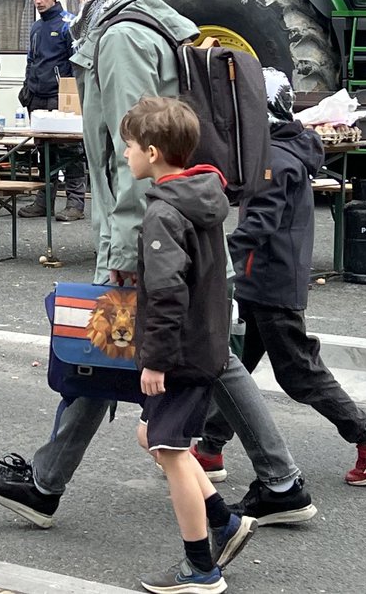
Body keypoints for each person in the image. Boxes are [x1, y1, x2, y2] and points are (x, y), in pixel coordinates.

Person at [0, 0, 316, 532]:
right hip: (177, 216)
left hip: (148, 224)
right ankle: (280, 482)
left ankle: (45, 485)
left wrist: (130, 243)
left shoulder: (123, 35)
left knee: (102, 349)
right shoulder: (151, 25)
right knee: (204, 357)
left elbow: (139, 147)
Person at [198, 69, 366, 489]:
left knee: (298, 372)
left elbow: (259, 225)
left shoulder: (272, 159)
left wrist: (218, 258)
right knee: (233, 367)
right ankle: (210, 446)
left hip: (269, 280)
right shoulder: (282, 150)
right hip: (268, 278)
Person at [121, 96, 255, 593]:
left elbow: (167, 292)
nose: (126, 155)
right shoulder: (199, 195)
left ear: (153, 152)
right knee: (151, 437)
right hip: (206, 344)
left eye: (130, 147)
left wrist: (154, 360)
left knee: (171, 450)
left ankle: (201, 568)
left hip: (180, 353)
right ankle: (222, 520)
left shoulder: (163, 212)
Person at [17, 0, 86, 223]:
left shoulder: (69, 23)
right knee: (43, 151)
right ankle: (44, 201)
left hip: (61, 98)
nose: (38, 1)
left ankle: (75, 202)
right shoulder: (36, 27)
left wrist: (74, 96)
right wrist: (27, 86)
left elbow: (77, 62)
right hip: (37, 97)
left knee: (70, 150)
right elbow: (31, 59)